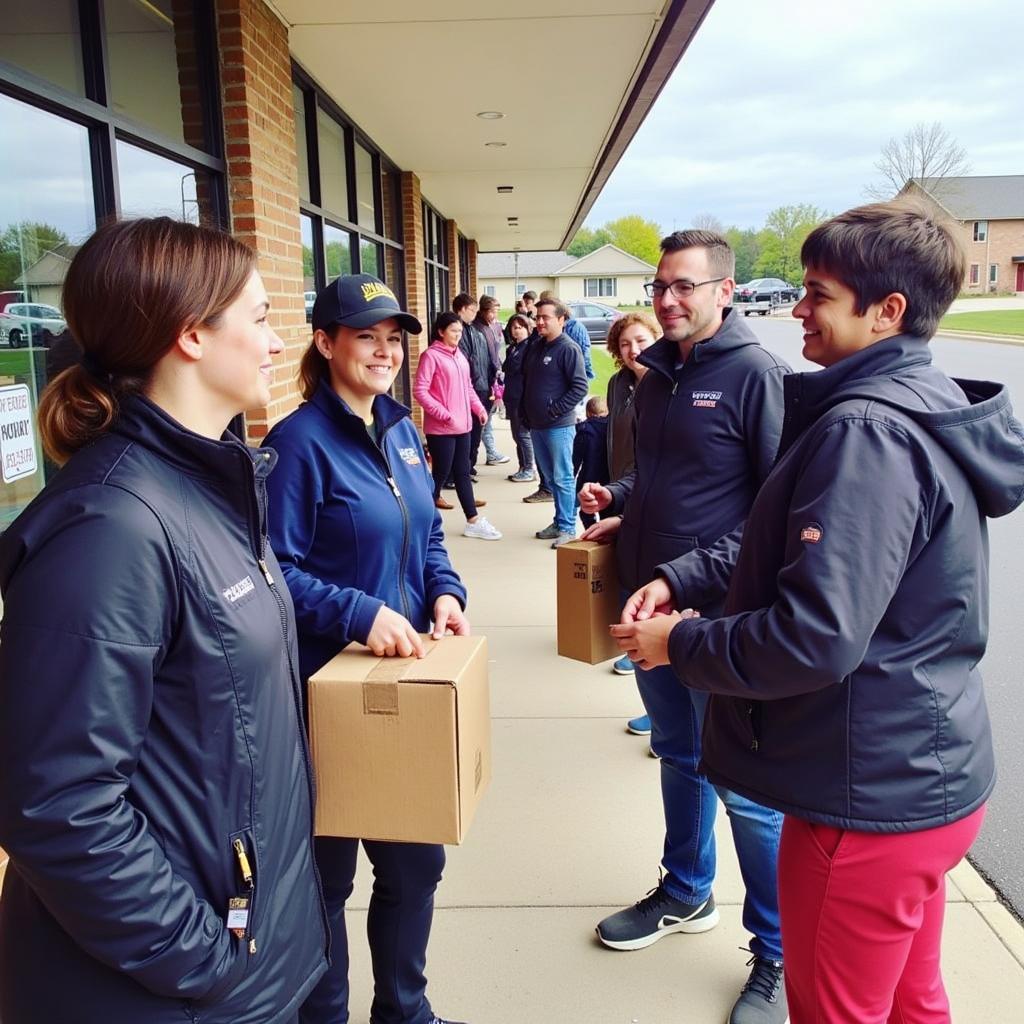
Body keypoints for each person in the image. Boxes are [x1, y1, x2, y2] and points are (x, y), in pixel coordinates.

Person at [612, 199, 1024, 1024]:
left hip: (866, 793)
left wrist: (682, 643)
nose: (795, 309)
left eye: (817, 293)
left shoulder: (867, 431)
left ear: (888, 312)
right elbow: (782, 537)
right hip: (920, 771)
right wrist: (686, 574)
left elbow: (814, 635)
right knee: (914, 1003)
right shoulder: (913, 405)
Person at [0, 217, 328, 1024]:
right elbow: (57, 807)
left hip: (249, 960)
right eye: (257, 318)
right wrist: (205, 961)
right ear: (190, 335)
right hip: (171, 992)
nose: (277, 344)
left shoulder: (209, 489)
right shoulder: (110, 525)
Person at [579, 229, 790, 1024]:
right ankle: (685, 891)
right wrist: (621, 504)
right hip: (647, 608)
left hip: (713, 621)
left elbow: (772, 518)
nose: (668, 299)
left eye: (686, 287)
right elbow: (671, 476)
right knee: (678, 756)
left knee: (745, 789)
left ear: (725, 291)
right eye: (661, 285)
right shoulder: (660, 374)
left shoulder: (757, 377)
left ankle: (775, 953)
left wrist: (681, 578)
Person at [264, 273, 470, 1024]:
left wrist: (445, 591)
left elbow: (429, 535)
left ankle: (404, 1012)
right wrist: (358, 610)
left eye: (393, 338)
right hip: (324, 698)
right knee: (327, 881)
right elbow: (272, 573)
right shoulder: (296, 445)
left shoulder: (400, 428)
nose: (384, 352)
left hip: (400, 691)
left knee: (416, 866)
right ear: (325, 343)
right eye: (365, 336)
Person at [602, 312, 660, 702]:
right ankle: (635, 653)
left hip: (650, 499)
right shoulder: (618, 385)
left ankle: (647, 660)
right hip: (619, 490)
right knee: (625, 581)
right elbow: (610, 438)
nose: (633, 350)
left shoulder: (667, 388)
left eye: (640, 340)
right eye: (625, 344)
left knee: (649, 587)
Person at [414, 311, 502, 540]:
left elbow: (468, 388)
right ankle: (420, 518)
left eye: (460, 331)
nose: (458, 335)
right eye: (453, 331)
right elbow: (420, 391)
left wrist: (479, 409)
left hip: (463, 426)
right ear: (441, 332)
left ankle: (472, 520)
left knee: (462, 472)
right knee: (440, 474)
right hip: (441, 429)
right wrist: (444, 414)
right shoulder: (431, 356)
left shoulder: (459, 356)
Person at [521, 297, 588, 548]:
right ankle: (559, 522)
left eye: (545, 317)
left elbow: (580, 386)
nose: (539, 322)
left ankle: (569, 527)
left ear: (561, 320)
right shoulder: (537, 346)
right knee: (550, 478)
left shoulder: (568, 348)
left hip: (558, 426)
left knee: (563, 477)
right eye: (537, 317)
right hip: (537, 425)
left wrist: (554, 410)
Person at [453, 292, 502, 472]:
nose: (475, 313)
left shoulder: (474, 330)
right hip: (473, 387)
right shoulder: (463, 331)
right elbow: (468, 361)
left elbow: (487, 358)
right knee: (471, 432)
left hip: (482, 386)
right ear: (462, 309)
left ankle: (468, 466)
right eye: (472, 310)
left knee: (476, 431)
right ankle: (464, 467)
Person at [502, 312, 538, 483]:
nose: (516, 331)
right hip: (512, 396)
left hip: (522, 397)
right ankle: (522, 466)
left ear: (527, 328)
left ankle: (529, 468)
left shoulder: (529, 347)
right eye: (513, 328)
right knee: (516, 435)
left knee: (523, 434)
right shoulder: (513, 348)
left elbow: (516, 368)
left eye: (520, 327)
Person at [476, 295, 510, 465]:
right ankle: (491, 452)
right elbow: (486, 358)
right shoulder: (479, 329)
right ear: (484, 310)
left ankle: (491, 451)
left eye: (497, 311)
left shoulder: (493, 326)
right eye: (493, 311)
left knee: (489, 416)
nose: (495, 315)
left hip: (493, 378)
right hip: (484, 381)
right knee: (485, 418)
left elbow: (499, 351)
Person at [573, 396, 609, 529]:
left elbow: (576, 457)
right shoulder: (613, 427)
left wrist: (573, 473)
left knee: (586, 509)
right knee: (608, 508)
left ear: (588, 413)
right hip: (609, 476)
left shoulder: (584, 430)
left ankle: (591, 529)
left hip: (589, 476)